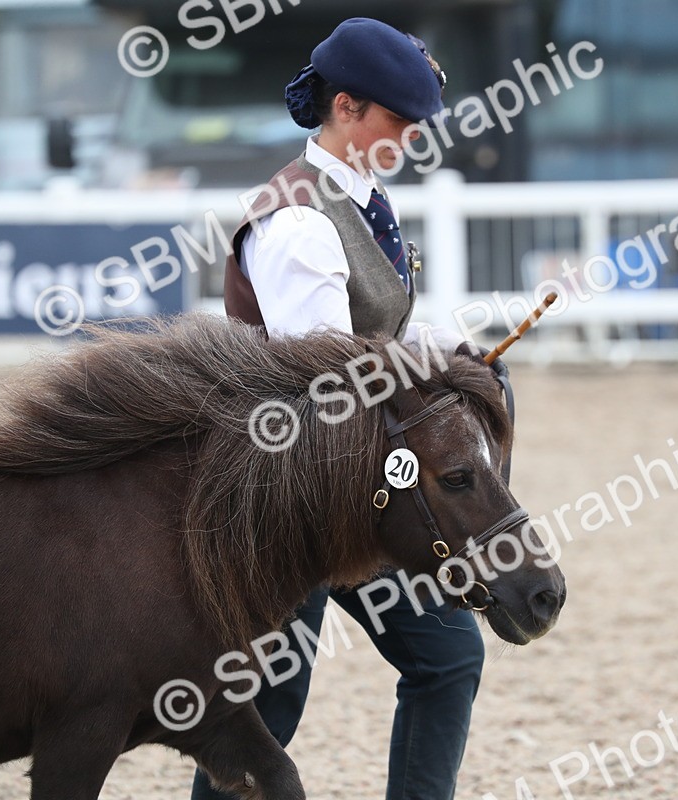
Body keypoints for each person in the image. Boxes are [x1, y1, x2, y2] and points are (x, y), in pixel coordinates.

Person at [193, 17, 507, 800]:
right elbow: (330, 375)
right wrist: (426, 370)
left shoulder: (361, 201)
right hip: (286, 493)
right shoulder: (298, 221)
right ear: (345, 109)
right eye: (398, 121)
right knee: (269, 705)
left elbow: (385, 329)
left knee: (448, 658)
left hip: (366, 489)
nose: (408, 139)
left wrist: (457, 353)